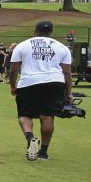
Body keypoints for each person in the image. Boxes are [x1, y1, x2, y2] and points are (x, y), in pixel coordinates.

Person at [8, 19, 73, 161]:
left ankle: (30, 138)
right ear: (51, 32)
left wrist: (13, 86)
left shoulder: (22, 45)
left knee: (24, 115)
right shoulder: (62, 47)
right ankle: (43, 152)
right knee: (47, 117)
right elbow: (67, 73)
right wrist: (68, 93)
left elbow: (13, 69)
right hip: (55, 82)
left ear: (35, 31)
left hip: (29, 82)